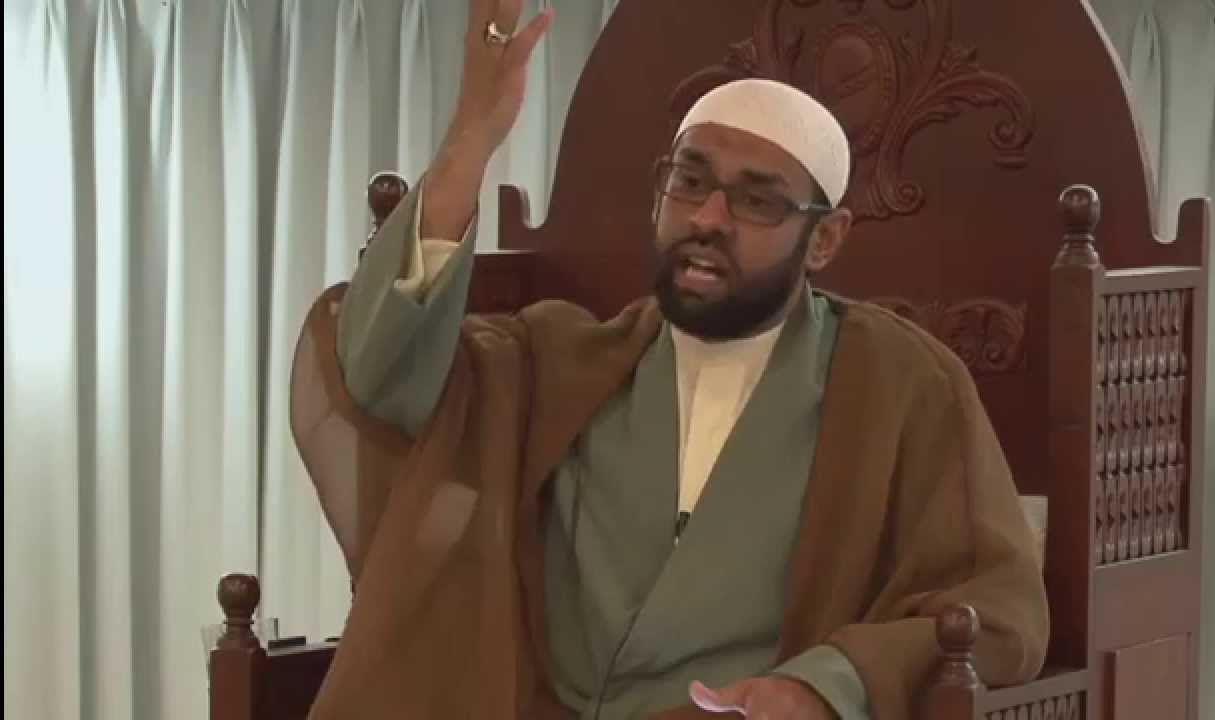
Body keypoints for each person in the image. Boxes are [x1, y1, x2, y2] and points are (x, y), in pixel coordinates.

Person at [293, 1, 1049, 718]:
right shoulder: (560, 364)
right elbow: (379, 375)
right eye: (690, 183)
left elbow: (1000, 611)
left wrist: (829, 686)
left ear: (824, 239)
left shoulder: (899, 383)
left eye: (757, 200)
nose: (708, 218)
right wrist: (473, 136)